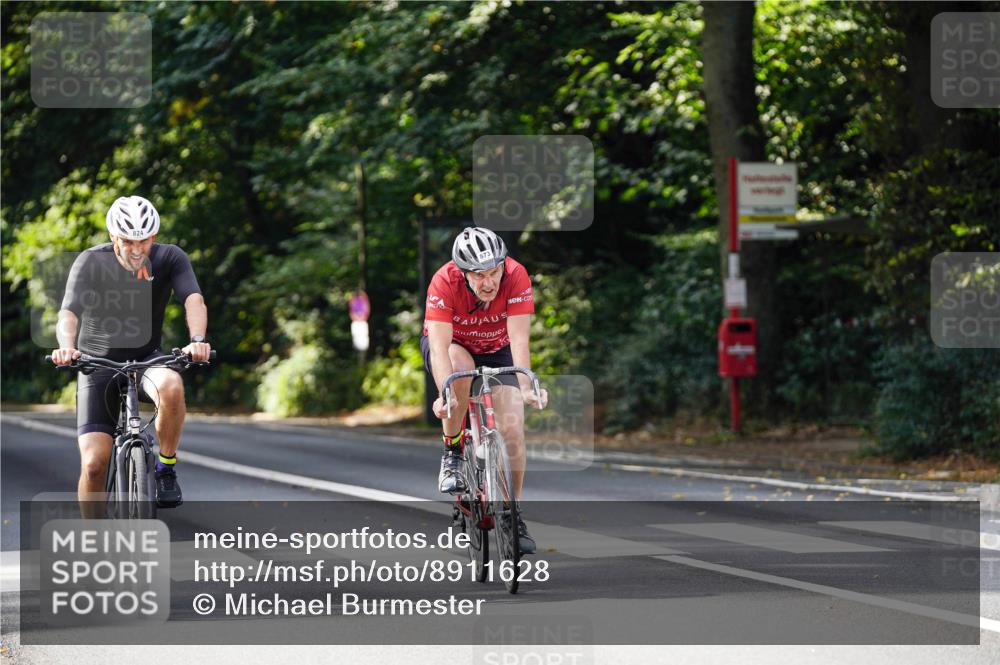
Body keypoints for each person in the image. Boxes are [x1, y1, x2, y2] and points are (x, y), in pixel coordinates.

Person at [49, 195, 211, 508]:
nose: (136, 250)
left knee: (172, 385)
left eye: (144, 241)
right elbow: (69, 312)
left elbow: (193, 299)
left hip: (148, 357)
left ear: (154, 237)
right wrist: (67, 348)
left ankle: (166, 467)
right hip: (97, 363)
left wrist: (198, 339)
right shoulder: (91, 261)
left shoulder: (170, 258)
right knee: (95, 465)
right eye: (127, 241)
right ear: (113, 236)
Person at [421, 226, 548, 553]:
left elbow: (519, 340)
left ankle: (512, 512)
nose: (489, 282)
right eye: (479, 276)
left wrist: (527, 386)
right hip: (454, 346)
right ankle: (452, 454)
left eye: (494, 272)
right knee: (459, 374)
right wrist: (444, 393)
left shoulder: (516, 275)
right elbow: (438, 347)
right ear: (462, 273)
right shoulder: (443, 281)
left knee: (512, 428)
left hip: (498, 347)